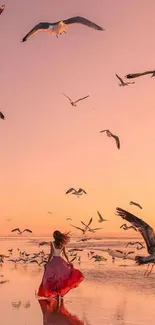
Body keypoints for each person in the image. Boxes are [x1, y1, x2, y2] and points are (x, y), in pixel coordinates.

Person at [37, 230, 84, 301]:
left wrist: (48, 262)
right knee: (60, 279)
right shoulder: (63, 244)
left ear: (55, 236)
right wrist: (68, 262)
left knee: (52, 278)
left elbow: (51, 254)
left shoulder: (52, 243)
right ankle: (59, 294)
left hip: (54, 262)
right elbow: (65, 254)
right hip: (61, 262)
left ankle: (56, 294)